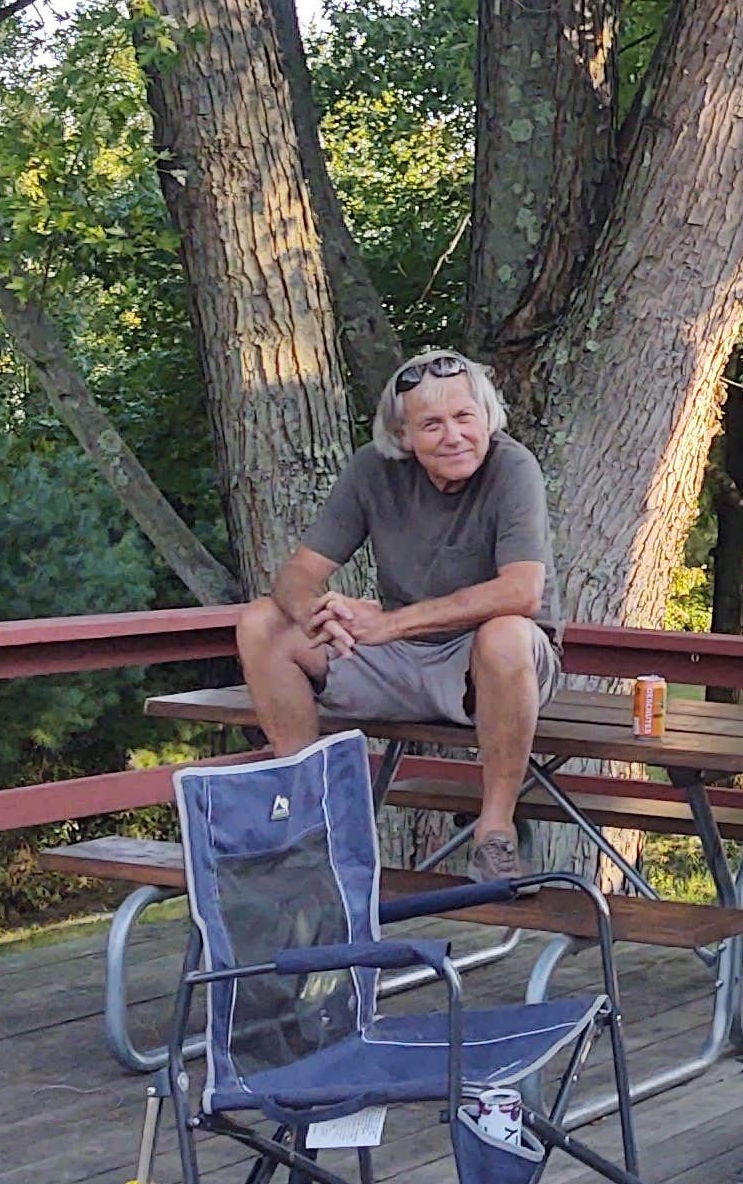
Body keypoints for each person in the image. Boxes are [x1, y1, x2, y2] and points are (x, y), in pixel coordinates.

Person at [235, 350, 559, 881]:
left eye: (464, 417)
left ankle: (495, 832)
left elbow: (522, 592)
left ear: (487, 419)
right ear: (404, 435)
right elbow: (297, 573)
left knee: (505, 634)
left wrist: (390, 623)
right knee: (260, 622)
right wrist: (315, 613)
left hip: (490, 665)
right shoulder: (372, 468)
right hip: (397, 658)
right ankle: (308, 819)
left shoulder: (513, 467)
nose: (453, 436)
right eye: (431, 424)